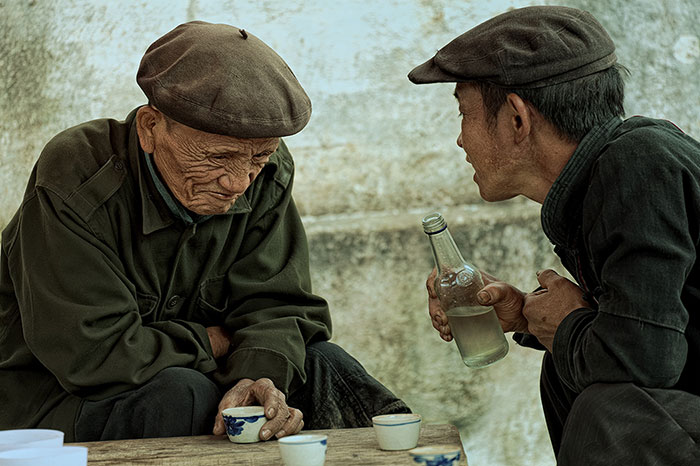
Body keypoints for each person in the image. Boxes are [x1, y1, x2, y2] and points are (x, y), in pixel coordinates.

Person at [0, 21, 409, 442]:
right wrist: (209, 341)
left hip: (201, 375)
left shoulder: (264, 172)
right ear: (150, 128)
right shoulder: (78, 174)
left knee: (324, 365)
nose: (238, 181)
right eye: (219, 156)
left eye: (258, 158)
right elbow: (93, 354)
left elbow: (279, 307)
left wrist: (257, 376)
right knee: (182, 395)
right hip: (59, 402)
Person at [408, 5, 700, 465]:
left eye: (463, 115)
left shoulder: (641, 163)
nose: (460, 140)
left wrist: (566, 325)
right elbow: (638, 336)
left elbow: (645, 361)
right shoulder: (600, 179)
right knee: (567, 373)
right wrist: (525, 314)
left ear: (517, 119)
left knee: (610, 412)